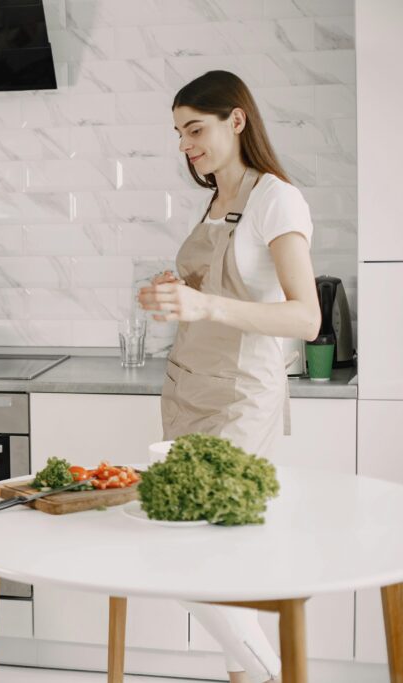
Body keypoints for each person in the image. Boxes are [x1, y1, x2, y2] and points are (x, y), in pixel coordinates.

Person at [137, 70, 322, 683]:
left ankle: (276, 672)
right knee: (222, 566)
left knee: (197, 560)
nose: (185, 144)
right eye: (178, 133)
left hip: (241, 400)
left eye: (195, 128)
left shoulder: (277, 198)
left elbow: (305, 317)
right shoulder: (217, 198)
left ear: (235, 120)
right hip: (187, 392)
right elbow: (207, 289)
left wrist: (205, 304)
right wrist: (170, 293)